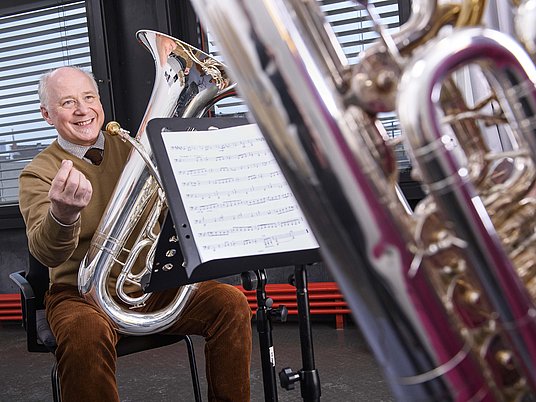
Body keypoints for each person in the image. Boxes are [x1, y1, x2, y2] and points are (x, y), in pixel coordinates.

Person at [18, 66, 253, 402]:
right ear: (46, 114)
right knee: (85, 332)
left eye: (88, 98)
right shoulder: (37, 173)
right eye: (68, 102)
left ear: (100, 102)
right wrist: (63, 214)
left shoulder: (132, 145)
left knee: (230, 303)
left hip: (145, 283)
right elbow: (46, 253)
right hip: (79, 294)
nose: (83, 110)